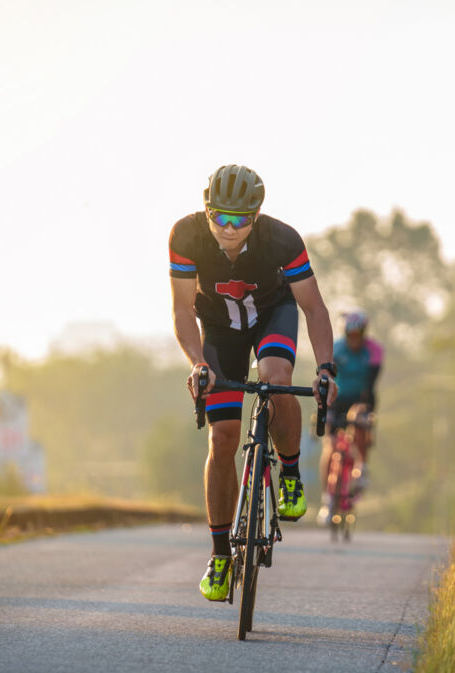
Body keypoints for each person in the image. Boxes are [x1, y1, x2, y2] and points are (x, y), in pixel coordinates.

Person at [169, 164, 339, 602]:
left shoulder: (283, 240)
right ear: (207, 211)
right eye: (220, 217)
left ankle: (291, 473)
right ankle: (221, 555)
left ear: (257, 215)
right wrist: (196, 362)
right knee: (222, 439)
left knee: (275, 378)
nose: (228, 228)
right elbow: (183, 310)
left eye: (240, 219)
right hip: (219, 332)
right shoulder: (185, 236)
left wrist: (325, 369)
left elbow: (315, 309)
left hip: (271, 316)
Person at [317, 310, 383, 522]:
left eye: (358, 335)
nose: (354, 339)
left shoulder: (374, 350)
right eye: (350, 335)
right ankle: (327, 499)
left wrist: (366, 409)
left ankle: (361, 468)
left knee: (360, 420)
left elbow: (372, 383)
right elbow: (326, 381)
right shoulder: (336, 349)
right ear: (345, 334)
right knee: (331, 445)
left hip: (362, 397)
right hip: (337, 399)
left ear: (364, 333)